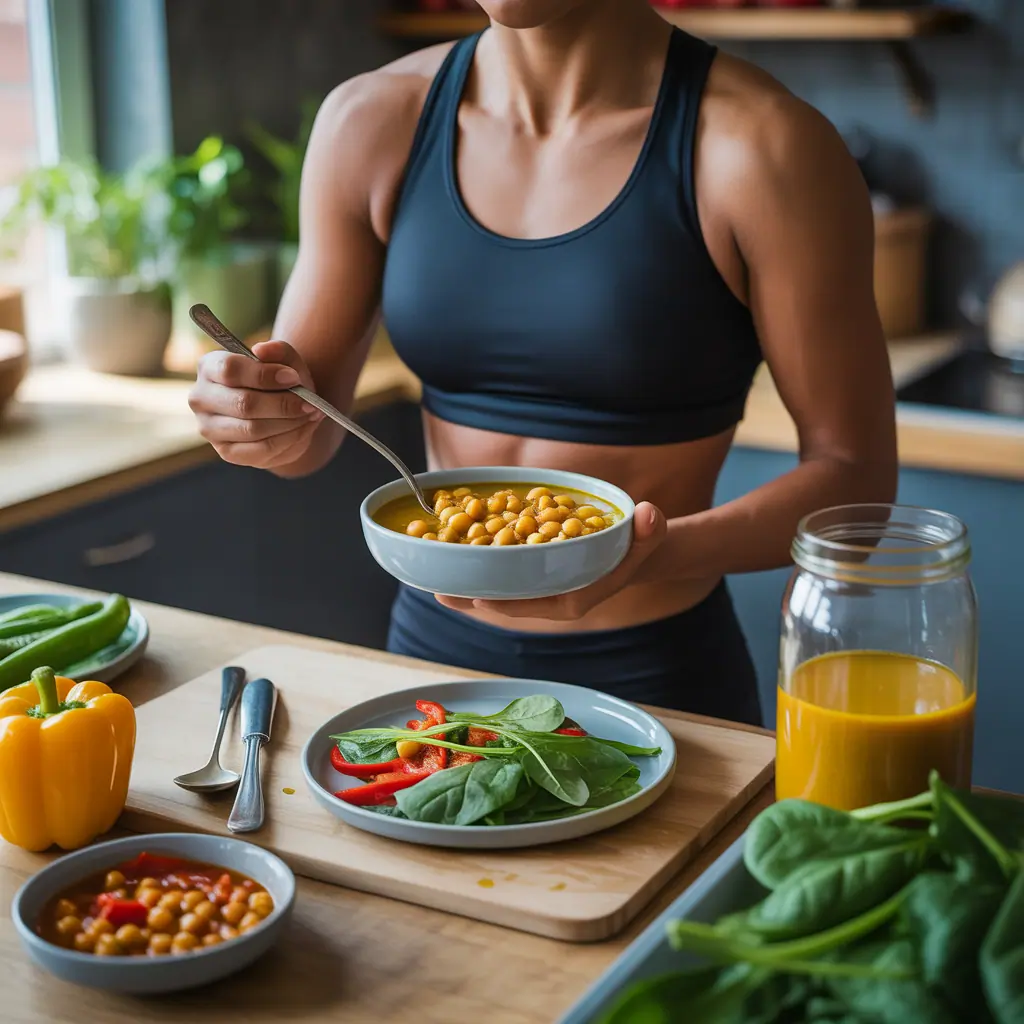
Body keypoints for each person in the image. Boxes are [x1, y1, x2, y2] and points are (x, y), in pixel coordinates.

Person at [187, 0, 897, 726]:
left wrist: (645, 554)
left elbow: (857, 478)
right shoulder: (370, 120)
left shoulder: (766, 145)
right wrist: (257, 417)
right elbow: (304, 435)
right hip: (431, 672)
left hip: (657, 684)